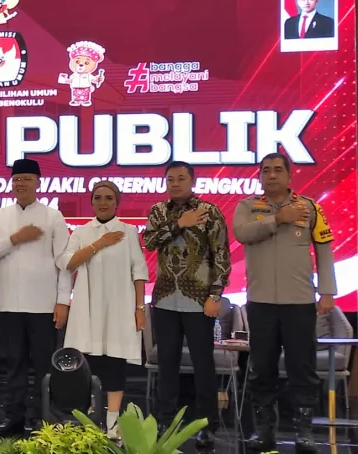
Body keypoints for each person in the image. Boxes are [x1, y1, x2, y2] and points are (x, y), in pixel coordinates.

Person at [234, 153, 336, 452]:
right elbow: (241, 233)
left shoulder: (310, 207)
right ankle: (264, 431)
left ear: (290, 176)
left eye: (278, 170)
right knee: (262, 368)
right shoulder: (248, 207)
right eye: (266, 170)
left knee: (302, 368)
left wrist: (327, 292)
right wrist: (277, 219)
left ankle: (304, 433)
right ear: (259, 176)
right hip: (261, 302)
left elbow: (324, 248)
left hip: (299, 303)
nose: (272, 175)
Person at [0, 158, 71, 437]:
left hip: (44, 305)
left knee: (44, 365)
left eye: (27, 179)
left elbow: (65, 263)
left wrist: (63, 301)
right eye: (17, 179)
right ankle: (13, 417)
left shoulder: (53, 216)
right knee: (14, 363)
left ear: (38, 183)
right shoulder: (0, 216)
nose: (20, 184)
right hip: (10, 304)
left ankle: (44, 418)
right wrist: (14, 239)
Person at [142, 161, 230, 448]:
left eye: (181, 178)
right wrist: (180, 223)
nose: (175, 183)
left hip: (199, 300)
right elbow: (150, 241)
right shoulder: (158, 211)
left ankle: (207, 425)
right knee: (166, 365)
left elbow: (221, 255)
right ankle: (165, 423)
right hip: (165, 299)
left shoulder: (209, 212)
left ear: (193, 181)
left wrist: (215, 295)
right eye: (170, 179)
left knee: (203, 365)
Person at [61, 181, 148, 440]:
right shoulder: (81, 232)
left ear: (117, 202)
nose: (103, 202)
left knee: (115, 364)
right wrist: (99, 243)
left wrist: (140, 307)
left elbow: (139, 271)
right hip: (88, 308)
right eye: (97, 197)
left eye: (109, 198)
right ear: (91, 202)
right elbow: (68, 262)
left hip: (119, 308)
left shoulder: (128, 231)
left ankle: (112, 425)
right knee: (89, 364)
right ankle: (90, 421)